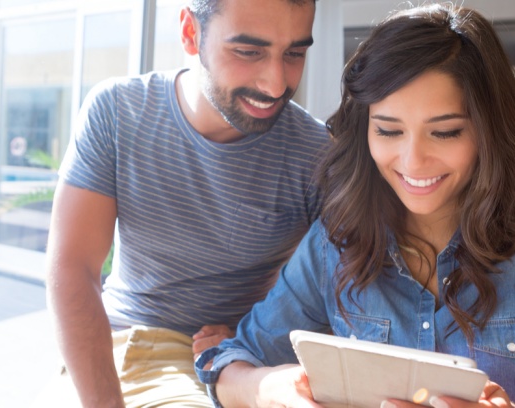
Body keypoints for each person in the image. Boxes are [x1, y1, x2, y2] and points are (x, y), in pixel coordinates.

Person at [195, 3, 515, 407]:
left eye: (445, 132)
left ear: (488, 132)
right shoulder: (338, 239)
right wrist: (269, 388)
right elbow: (233, 358)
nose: (412, 162)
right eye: (388, 131)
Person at [43, 0, 328, 406]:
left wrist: (262, 335)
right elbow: (72, 269)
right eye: (248, 52)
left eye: (294, 54)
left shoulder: (317, 154)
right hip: (129, 341)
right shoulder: (117, 111)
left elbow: (344, 292)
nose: (276, 83)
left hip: (239, 358)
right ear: (191, 34)